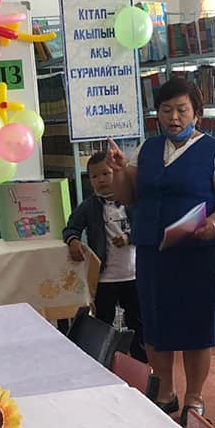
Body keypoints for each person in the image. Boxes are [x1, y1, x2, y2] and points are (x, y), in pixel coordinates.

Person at [107, 77, 215, 424]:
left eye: (182, 110)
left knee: (196, 325)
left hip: (197, 253)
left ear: (197, 113)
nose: (174, 118)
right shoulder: (147, 150)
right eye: (166, 110)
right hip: (153, 252)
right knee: (156, 324)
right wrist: (119, 171)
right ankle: (165, 391)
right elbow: (128, 196)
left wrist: (213, 222)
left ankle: (195, 396)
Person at [63, 152, 145, 362]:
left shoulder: (133, 202)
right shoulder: (88, 206)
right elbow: (71, 227)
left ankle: (141, 363)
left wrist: (129, 237)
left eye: (106, 174)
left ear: (117, 173)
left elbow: (147, 227)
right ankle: (103, 363)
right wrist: (73, 241)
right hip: (104, 278)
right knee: (103, 323)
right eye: (94, 176)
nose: (100, 179)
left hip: (134, 275)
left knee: (138, 321)